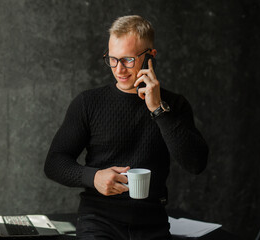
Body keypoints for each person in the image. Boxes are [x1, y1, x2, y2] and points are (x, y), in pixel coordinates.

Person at [44, 15, 208, 240]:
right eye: (112, 59)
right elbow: (54, 162)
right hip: (98, 221)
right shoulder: (88, 103)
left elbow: (196, 164)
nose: (119, 69)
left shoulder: (175, 105)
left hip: (152, 223)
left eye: (128, 60)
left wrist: (158, 110)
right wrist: (93, 177)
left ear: (151, 57)